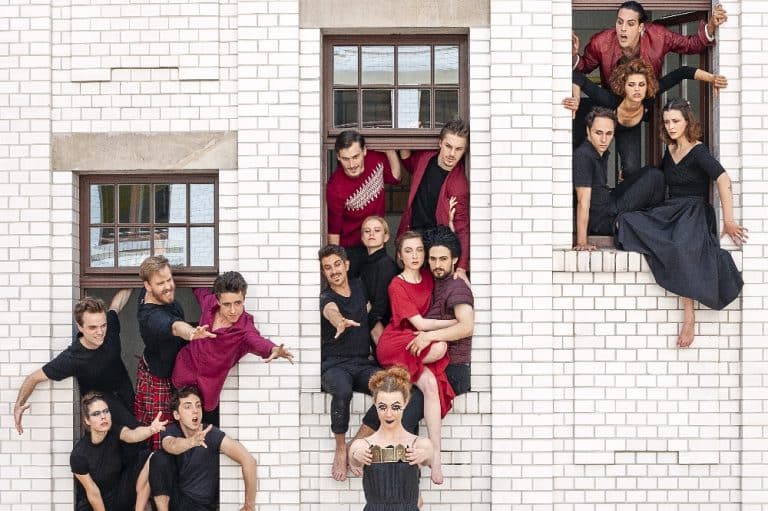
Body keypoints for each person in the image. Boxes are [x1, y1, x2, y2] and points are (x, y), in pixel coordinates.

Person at [615, 98, 747, 347]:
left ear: (687, 121)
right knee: (627, 220)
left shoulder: (698, 151)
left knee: (680, 248)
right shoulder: (670, 150)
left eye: (675, 121)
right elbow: (658, 179)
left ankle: (689, 316)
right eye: (667, 122)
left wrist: (729, 220)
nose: (671, 126)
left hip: (694, 212)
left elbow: (722, 178)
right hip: (670, 210)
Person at [375, 230, 459, 484]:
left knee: (431, 385)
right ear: (400, 255)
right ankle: (400, 367)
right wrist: (456, 323)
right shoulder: (396, 284)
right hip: (397, 342)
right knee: (440, 347)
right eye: (408, 251)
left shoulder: (429, 277)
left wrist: (461, 270)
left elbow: (449, 265)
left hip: (416, 342)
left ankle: (436, 456)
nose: (415, 256)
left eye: (419, 250)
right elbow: (420, 323)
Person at [564, 59, 728, 176]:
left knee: (631, 170)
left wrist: (712, 78)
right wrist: (576, 99)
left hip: (628, 128)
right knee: (586, 163)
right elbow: (577, 77)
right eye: (631, 85)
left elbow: (681, 72)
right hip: (590, 121)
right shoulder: (608, 99)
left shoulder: (650, 96)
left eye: (641, 85)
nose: (637, 89)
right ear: (623, 87)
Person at [172, 271, 294, 427]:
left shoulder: (245, 328)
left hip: (207, 390)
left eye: (238, 303)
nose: (233, 310)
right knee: (175, 428)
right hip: (183, 373)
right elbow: (197, 286)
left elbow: (258, 341)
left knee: (204, 433)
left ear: (244, 299)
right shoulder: (209, 302)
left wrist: (273, 349)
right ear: (218, 300)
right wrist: (181, 265)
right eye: (227, 304)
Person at [13, 291, 137, 436]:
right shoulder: (73, 357)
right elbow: (33, 378)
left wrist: (139, 278)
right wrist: (18, 405)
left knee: (140, 432)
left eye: (103, 325)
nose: (100, 332)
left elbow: (117, 305)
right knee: (132, 433)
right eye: (92, 327)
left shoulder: (109, 329)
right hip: (102, 410)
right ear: (80, 327)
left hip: (126, 395)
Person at [136, 255, 215, 450]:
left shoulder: (153, 293)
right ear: (147, 286)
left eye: (169, 279)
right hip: (158, 379)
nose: (168, 286)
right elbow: (175, 326)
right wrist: (192, 333)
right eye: (160, 283)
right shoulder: (151, 317)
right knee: (161, 434)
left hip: (169, 368)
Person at [319, 244, 381, 481]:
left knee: (391, 389)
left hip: (363, 364)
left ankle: (356, 443)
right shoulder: (327, 297)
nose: (334, 271)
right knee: (342, 392)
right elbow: (330, 310)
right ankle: (340, 447)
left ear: (346, 265)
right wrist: (339, 321)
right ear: (324, 272)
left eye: (337, 264)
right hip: (335, 366)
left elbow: (372, 317)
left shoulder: (359, 286)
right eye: (327, 268)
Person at [149, 386, 257, 511]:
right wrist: (192, 442)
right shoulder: (171, 430)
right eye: (188, 407)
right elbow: (171, 445)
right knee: (158, 457)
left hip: (201, 506)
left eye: (198, 406)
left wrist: (249, 505)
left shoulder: (211, 433)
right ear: (177, 415)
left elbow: (249, 461)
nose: (195, 411)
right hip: (176, 500)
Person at [573, 1, 727, 88]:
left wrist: (711, 25)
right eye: (619, 22)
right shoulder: (602, 41)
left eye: (630, 24)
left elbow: (691, 45)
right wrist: (572, 55)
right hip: (612, 101)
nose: (623, 29)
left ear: (641, 27)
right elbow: (583, 67)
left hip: (648, 99)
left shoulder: (659, 36)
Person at [572, 107, 665, 251]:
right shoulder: (584, 155)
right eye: (598, 133)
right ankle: (653, 226)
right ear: (588, 130)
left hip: (608, 204)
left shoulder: (599, 151)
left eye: (609, 134)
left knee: (649, 171)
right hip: (601, 221)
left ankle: (647, 223)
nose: (604, 139)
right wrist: (582, 242)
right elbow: (582, 200)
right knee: (655, 176)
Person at [348, 367, 433, 511]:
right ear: (375, 404)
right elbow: (353, 458)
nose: (389, 414)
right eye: (383, 407)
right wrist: (356, 456)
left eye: (395, 407)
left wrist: (424, 455)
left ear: (405, 402)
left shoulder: (419, 443)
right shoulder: (363, 444)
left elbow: (429, 457)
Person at [71, 391, 166, 511]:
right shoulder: (79, 454)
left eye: (106, 411)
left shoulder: (113, 431)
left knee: (150, 457)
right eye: (96, 414)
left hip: (118, 496)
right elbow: (93, 493)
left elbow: (132, 435)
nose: (103, 416)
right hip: (93, 505)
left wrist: (151, 430)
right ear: (87, 420)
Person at [398, 118, 470, 274]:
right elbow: (409, 162)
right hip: (412, 233)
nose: (452, 154)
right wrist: (405, 131)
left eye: (458, 149)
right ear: (440, 143)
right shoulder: (426, 158)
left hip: (435, 244)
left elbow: (462, 228)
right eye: (448, 146)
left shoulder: (459, 184)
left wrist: (462, 268)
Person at [327, 130, 402, 276]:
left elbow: (395, 177)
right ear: (338, 157)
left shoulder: (376, 159)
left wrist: (390, 151)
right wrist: (336, 264)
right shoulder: (335, 186)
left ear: (364, 151)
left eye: (356, 157)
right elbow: (334, 232)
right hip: (351, 249)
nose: (351, 164)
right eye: (345, 159)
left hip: (377, 242)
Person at [359, 216, 400, 346]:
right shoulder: (364, 266)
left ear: (386, 237)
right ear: (362, 238)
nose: (371, 234)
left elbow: (380, 307)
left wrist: (363, 330)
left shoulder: (386, 265)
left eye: (377, 230)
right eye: (367, 231)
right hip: (371, 326)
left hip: (384, 331)